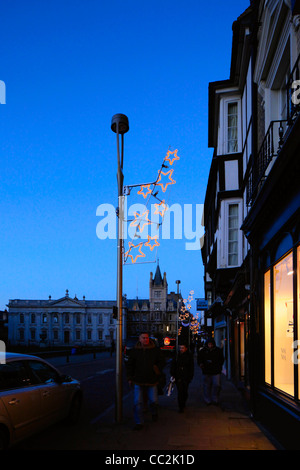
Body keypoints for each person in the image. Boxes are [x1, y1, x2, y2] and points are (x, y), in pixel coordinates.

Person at [126, 332, 165, 430]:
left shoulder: (155, 350)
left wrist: (156, 369)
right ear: (139, 339)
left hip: (151, 379)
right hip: (138, 380)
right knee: (137, 403)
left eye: (147, 338)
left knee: (153, 401)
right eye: (143, 338)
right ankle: (139, 422)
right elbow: (130, 365)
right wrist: (130, 377)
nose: (145, 340)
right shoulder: (135, 351)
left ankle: (154, 412)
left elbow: (161, 361)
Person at [197, 337, 224, 405]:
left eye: (211, 344)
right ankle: (208, 399)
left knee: (216, 385)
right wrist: (201, 364)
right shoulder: (203, 351)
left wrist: (218, 366)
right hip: (207, 371)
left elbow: (221, 359)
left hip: (215, 371)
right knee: (207, 386)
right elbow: (199, 359)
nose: (210, 346)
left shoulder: (217, 350)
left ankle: (214, 398)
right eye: (209, 344)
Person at [170, 342, 194, 413]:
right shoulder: (177, 356)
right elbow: (173, 365)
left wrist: (190, 376)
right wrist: (173, 373)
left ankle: (183, 402)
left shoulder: (189, 356)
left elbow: (191, 367)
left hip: (186, 375)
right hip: (178, 375)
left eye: (182, 348)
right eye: (180, 348)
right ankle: (181, 406)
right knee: (180, 391)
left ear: (186, 348)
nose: (181, 349)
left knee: (185, 391)